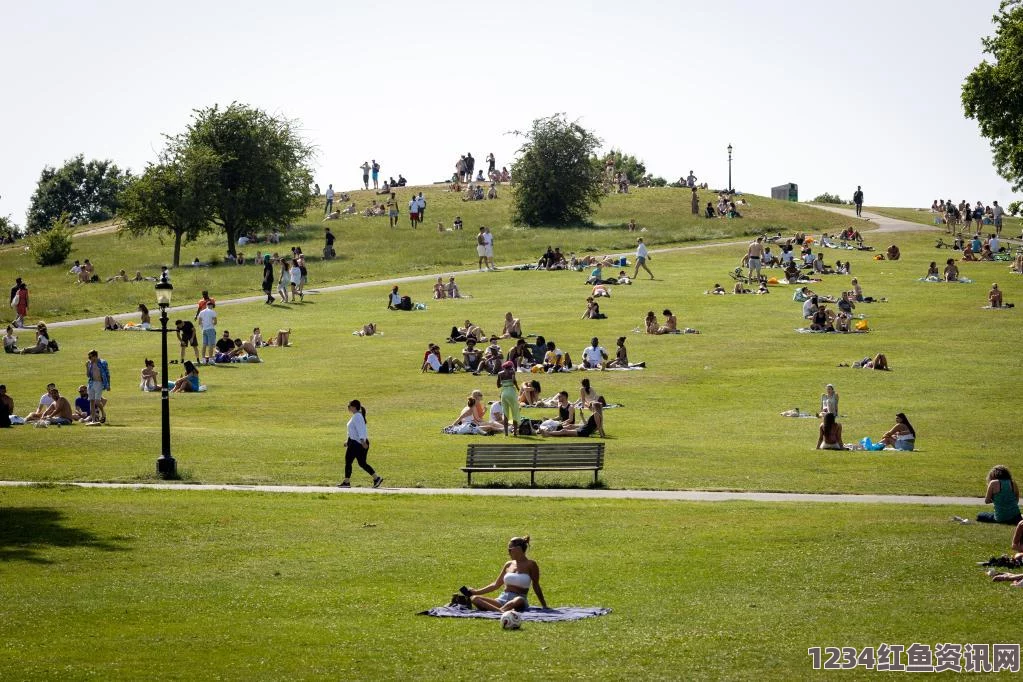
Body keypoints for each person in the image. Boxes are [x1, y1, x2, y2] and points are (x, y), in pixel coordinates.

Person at [468, 536, 548, 613]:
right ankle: (501, 612)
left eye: (510, 550)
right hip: (502, 599)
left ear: (518, 549)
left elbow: (536, 585)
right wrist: (475, 592)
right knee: (475, 599)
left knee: (518, 600)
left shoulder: (531, 564)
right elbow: (495, 585)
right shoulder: (508, 564)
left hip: (519, 600)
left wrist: (544, 605)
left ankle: (496, 611)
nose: (508, 553)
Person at [338, 399, 382, 488]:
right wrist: (348, 441)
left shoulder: (357, 416)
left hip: (357, 443)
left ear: (354, 407)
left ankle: (346, 482)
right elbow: (353, 430)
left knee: (348, 461)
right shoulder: (356, 416)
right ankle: (376, 478)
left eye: (349, 406)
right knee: (362, 463)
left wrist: (362, 441)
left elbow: (360, 430)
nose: (348, 408)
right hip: (355, 442)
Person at [497, 361, 522, 436]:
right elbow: (514, 381)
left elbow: (498, 385)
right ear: (511, 366)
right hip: (511, 392)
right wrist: (518, 388)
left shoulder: (500, 373)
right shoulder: (512, 372)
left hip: (504, 393)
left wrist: (504, 384)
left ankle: (506, 433)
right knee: (515, 412)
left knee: (505, 413)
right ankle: (515, 433)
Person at [84, 349, 110, 424]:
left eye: (90, 357)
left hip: (99, 383)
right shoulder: (89, 363)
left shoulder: (103, 362)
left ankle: (103, 413)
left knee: (97, 401)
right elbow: (88, 375)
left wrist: (108, 385)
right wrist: (87, 367)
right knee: (91, 401)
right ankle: (93, 420)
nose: (89, 359)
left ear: (95, 356)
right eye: (89, 357)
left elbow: (107, 374)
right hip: (91, 383)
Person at [196, 300, 218, 364]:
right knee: (210, 345)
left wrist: (203, 327)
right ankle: (210, 359)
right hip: (210, 329)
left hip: (204, 330)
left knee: (204, 344)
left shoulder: (201, 312)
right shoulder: (212, 312)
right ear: (211, 305)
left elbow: (199, 322)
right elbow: (215, 322)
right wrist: (211, 325)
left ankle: (203, 359)